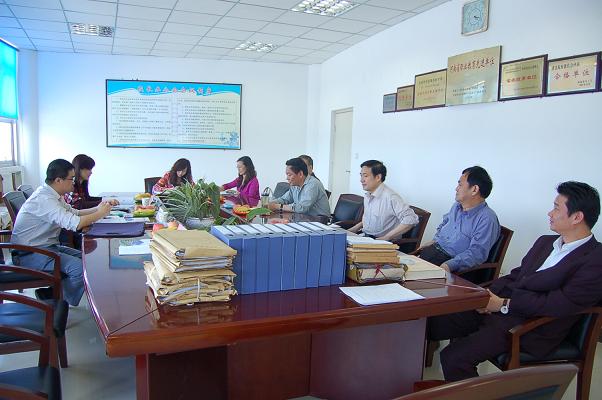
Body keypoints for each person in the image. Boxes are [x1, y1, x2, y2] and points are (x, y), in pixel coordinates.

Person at [428, 181, 602, 382]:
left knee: (453, 358)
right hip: (502, 311)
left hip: (530, 327)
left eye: (556, 208)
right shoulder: (545, 242)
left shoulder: (595, 259)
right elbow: (516, 275)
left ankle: (481, 394)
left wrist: (504, 304)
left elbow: (559, 303)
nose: (549, 213)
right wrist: (485, 297)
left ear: (577, 217)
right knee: (430, 322)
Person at [10, 159, 113, 306]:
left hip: (45, 247)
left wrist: (98, 208)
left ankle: (52, 293)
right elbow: (75, 223)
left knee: (88, 260)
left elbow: (74, 213)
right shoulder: (44, 199)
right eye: (71, 179)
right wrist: (100, 213)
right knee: (81, 269)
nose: (74, 182)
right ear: (58, 180)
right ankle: (57, 300)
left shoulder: (52, 195)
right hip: (29, 253)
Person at [419, 166, 500, 273]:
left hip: (453, 266)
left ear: (474, 189)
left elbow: (477, 253)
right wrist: (435, 240)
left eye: (460, 185)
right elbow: (444, 224)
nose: (456, 188)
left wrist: (449, 265)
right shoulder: (457, 206)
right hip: (433, 252)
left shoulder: (487, 219)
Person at [349, 160, 418, 241]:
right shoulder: (368, 195)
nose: (361, 180)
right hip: (365, 237)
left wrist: (387, 237)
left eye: (365, 176)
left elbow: (411, 218)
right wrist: (352, 230)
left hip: (381, 242)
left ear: (378, 177)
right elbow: (370, 219)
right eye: (361, 175)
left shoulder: (391, 197)